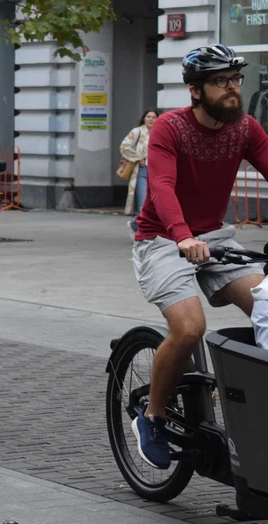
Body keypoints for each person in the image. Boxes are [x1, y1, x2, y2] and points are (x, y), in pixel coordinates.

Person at [130, 44, 268, 470]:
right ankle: (151, 417)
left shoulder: (245, 128)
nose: (232, 89)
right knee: (190, 328)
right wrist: (183, 236)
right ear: (195, 90)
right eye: (220, 81)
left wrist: (202, 238)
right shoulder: (170, 129)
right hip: (161, 239)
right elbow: (162, 189)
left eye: (235, 80)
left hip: (216, 241)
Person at [120, 108, 159, 233]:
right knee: (143, 202)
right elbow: (124, 146)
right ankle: (142, 230)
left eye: (153, 117)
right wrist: (138, 158)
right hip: (141, 171)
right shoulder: (137, 132)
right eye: (148, 116)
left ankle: (135, 224)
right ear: (144, 118)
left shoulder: (160, 132)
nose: (151, 119)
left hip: (157, 171)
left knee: (155, 202)